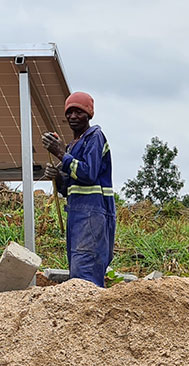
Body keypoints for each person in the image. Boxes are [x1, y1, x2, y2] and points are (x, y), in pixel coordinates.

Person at [41, 92, 115, 287]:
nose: (73, 116)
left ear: (89, 115)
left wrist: (60, 154)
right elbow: (70, 188)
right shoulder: (73, 147)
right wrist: (58, 177)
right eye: (70, 112)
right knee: (78, 270)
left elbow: (88, 173)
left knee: (86, 272)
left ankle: (91, 305)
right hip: (77, 215)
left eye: (79, 112)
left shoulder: (94, 137)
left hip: (92, 214)